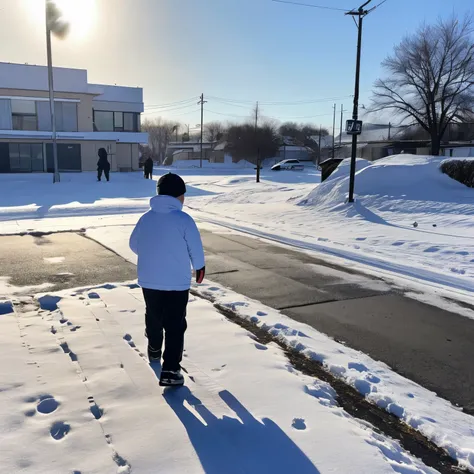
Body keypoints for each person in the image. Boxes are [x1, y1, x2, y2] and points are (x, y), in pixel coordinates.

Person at [129, 173, 205, 387]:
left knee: (154, 315)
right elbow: (195, 249)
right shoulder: (184, 220)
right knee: (175, 324)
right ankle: (171, 369)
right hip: (177, 283)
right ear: (179, 197)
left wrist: (152, 253)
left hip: (149, 280)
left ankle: (154, 347)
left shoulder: (146, 218)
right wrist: (199, 268)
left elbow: (134, 244)